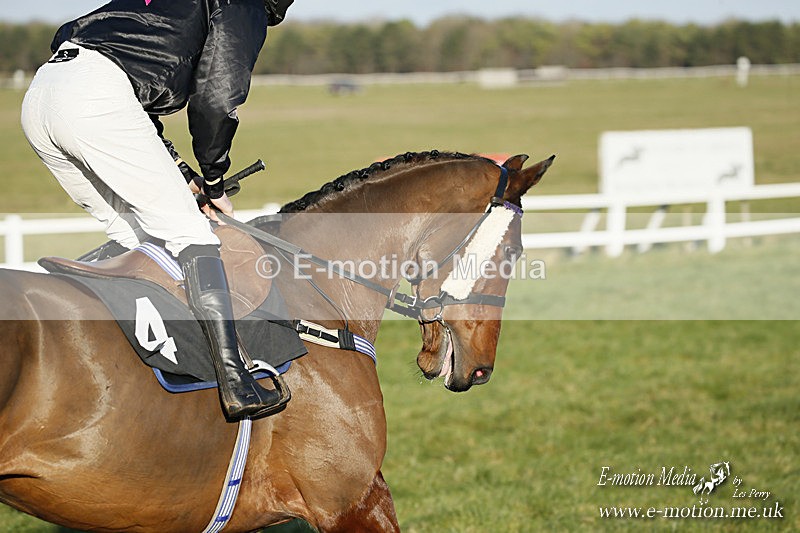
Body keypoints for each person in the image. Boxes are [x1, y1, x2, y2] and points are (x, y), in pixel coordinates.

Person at [21, 0, 294, 421]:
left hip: (42, 95)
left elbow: (125, 88)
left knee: (137, 238)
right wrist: (214, 179)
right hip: (95, 96)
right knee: (192, 234)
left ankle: (134, 367)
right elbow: (217, 98)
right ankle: (236, 381)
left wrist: (184, 174)